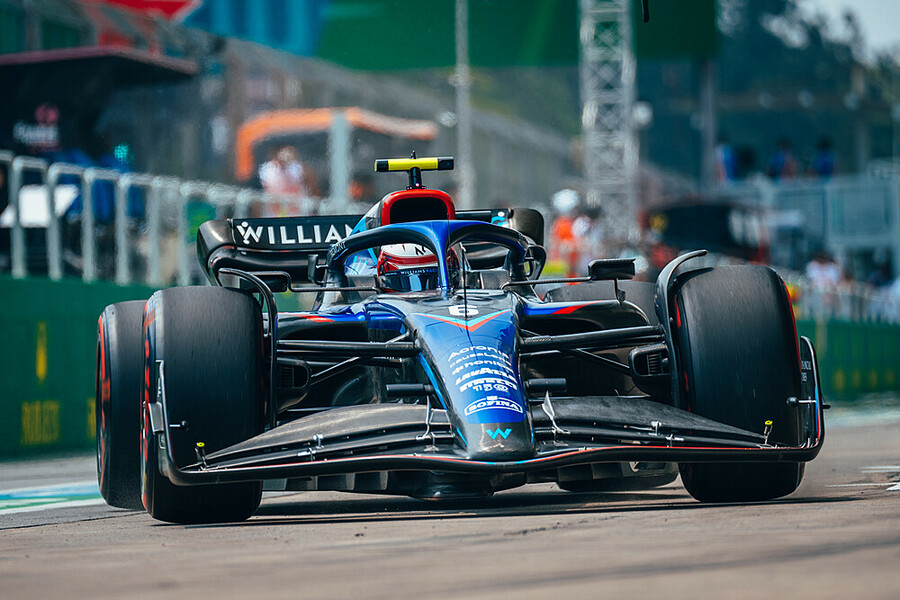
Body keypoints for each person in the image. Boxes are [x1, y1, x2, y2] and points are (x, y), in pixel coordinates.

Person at [258, 145, 306, 216]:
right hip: (275, 210)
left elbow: (303, 187)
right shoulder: (268, 169)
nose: (288, 155)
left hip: (295, 209)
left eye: (290, 152)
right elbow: (271, 191)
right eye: (285, 152)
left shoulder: (297, 167)